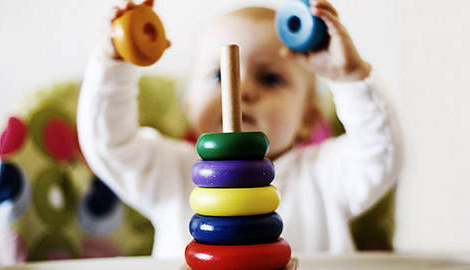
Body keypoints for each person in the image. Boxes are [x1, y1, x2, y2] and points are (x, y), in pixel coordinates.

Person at [77, 0, 400, 258]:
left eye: (270, 78)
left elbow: (381, 153)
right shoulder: (172, 172)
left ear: (308, 119)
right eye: (218, 77)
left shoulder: (325, 176)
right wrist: (113, 64)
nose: (240, 89)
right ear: (188, 105)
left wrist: (350, 78)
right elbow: (111, 146)